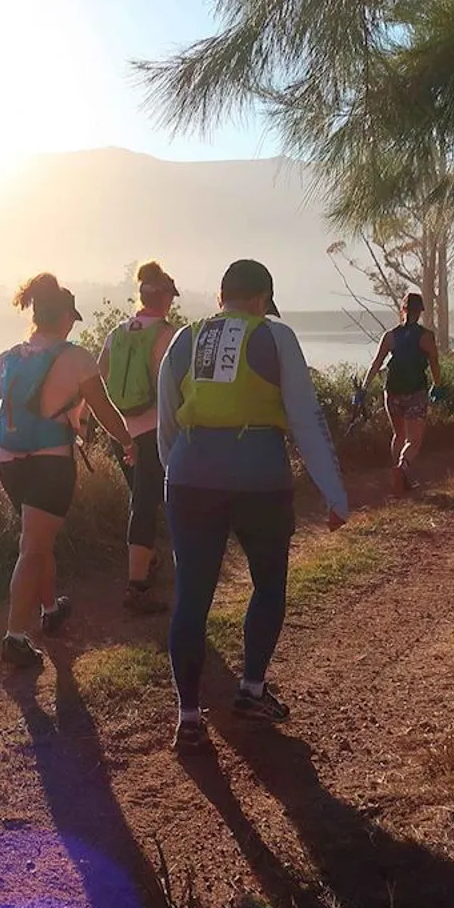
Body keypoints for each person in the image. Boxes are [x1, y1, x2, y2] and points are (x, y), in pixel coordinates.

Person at [159, 259, 349, 753]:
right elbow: (306, 418)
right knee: (267, 584)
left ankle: (189, 716)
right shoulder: (275, 335)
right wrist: (334, 491)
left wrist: (178, 473)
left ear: (220, 296)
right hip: (259, 477)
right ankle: (252, 689)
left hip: (190, 474)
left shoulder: (184, 339)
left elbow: (166, 427)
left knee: (191, 595)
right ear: (263, 299)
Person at [0, 273, 137, 669]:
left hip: (8, 462)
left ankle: (50, 608)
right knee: (32, 547)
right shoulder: (77, 357)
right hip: (49, 462)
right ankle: (14, 637)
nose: (72, 325)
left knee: (36, 538)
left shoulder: (8, 358)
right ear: (63, 316)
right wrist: (130, 443)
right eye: (72, 318)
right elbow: (104, 410)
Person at [99, 261, 181, 614]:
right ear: (162, 298)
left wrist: (84, 419)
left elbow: (97, 373)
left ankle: (148, 561)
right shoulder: (165, 334)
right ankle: (136, 587)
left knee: (143, 497)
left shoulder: (117, 332)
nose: (171, 304)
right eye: (170, 298)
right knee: (147, 502)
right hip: (153, 430)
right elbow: (177, 384)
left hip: (121, 431)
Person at [362, 292, 444, 494]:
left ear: (403, 310)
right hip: (415, 392)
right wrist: (438, 385)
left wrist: (363, 388)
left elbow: (376, 363)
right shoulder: (426, 336)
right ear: (421, 312)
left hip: (392, 392)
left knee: (399, 435)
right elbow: (434, 363)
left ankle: (400, 480)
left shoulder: (390, 336)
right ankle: (401, 469)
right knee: (413, 440)